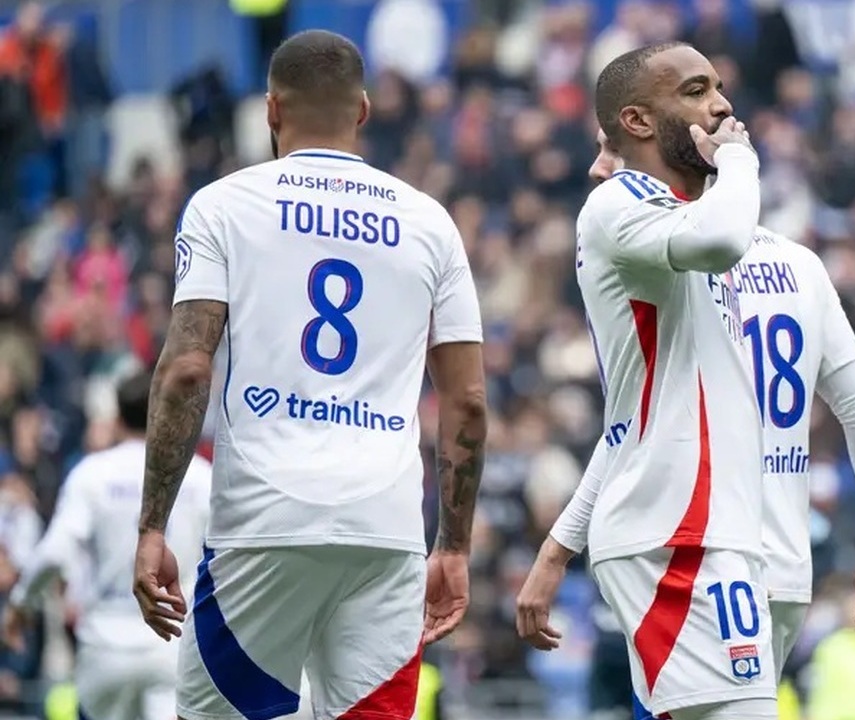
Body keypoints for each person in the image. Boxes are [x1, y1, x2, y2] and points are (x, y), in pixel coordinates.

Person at [130, 30, 488, 720]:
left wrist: (153, 526)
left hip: (262, 520)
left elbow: (184, 370)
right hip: (384, 530)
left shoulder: (224, 206)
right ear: (363, 111)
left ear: (270, 110)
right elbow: (466, 402)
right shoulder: (429, 224)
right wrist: (454, 544)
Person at [518, 127, 855, 718]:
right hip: (783, 568)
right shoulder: (801, 266)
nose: (600, 170)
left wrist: (556, 551)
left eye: (611, 151)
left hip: (702, 556)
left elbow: (635, 426)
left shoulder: (677, 267)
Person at [519, 42, 771, 720]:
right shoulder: (622, 203)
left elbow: (630, 421)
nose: (720, 106)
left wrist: (555, 551)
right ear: (635, 121)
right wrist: (739, 157)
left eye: (719, 87)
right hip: (681, 536)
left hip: (692, 528)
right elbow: (723, 240)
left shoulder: (677, 226)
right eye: (694, 91)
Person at [2, 371, 211, 720]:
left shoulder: (92, 474)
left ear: (115, 419)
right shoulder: (200, 474)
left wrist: (20, 606)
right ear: (169, 413)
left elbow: (54, 554)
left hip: (105, 646)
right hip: (173, 646)